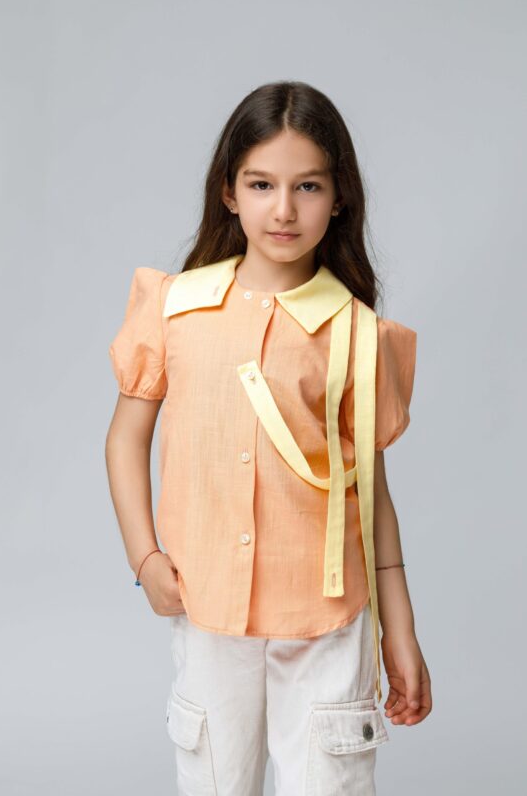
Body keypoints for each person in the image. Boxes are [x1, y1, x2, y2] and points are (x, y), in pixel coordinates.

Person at [105, 80, 432, 796]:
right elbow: (125, 440)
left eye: (307, 186)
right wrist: (145, 557)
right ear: (228, 192)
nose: (283, 209)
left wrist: (399, 631)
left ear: (338, 198)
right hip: (208, 609)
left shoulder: (358, 334)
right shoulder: (175, 309)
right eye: (261, 184)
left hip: (327, 621)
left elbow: (371, 495)